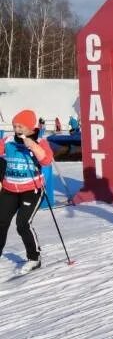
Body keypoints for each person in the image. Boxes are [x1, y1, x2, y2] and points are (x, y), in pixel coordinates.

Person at [0, 109, 53, 272]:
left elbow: (46, 161)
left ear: (30, 127)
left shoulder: (40, 141)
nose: (17, 129)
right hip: (9, 189)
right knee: (1, 222)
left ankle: (34, 258)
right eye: (15, 126)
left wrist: (33, 146)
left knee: (22, 224)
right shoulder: (8, 140)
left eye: (20, 126)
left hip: (32, 189)